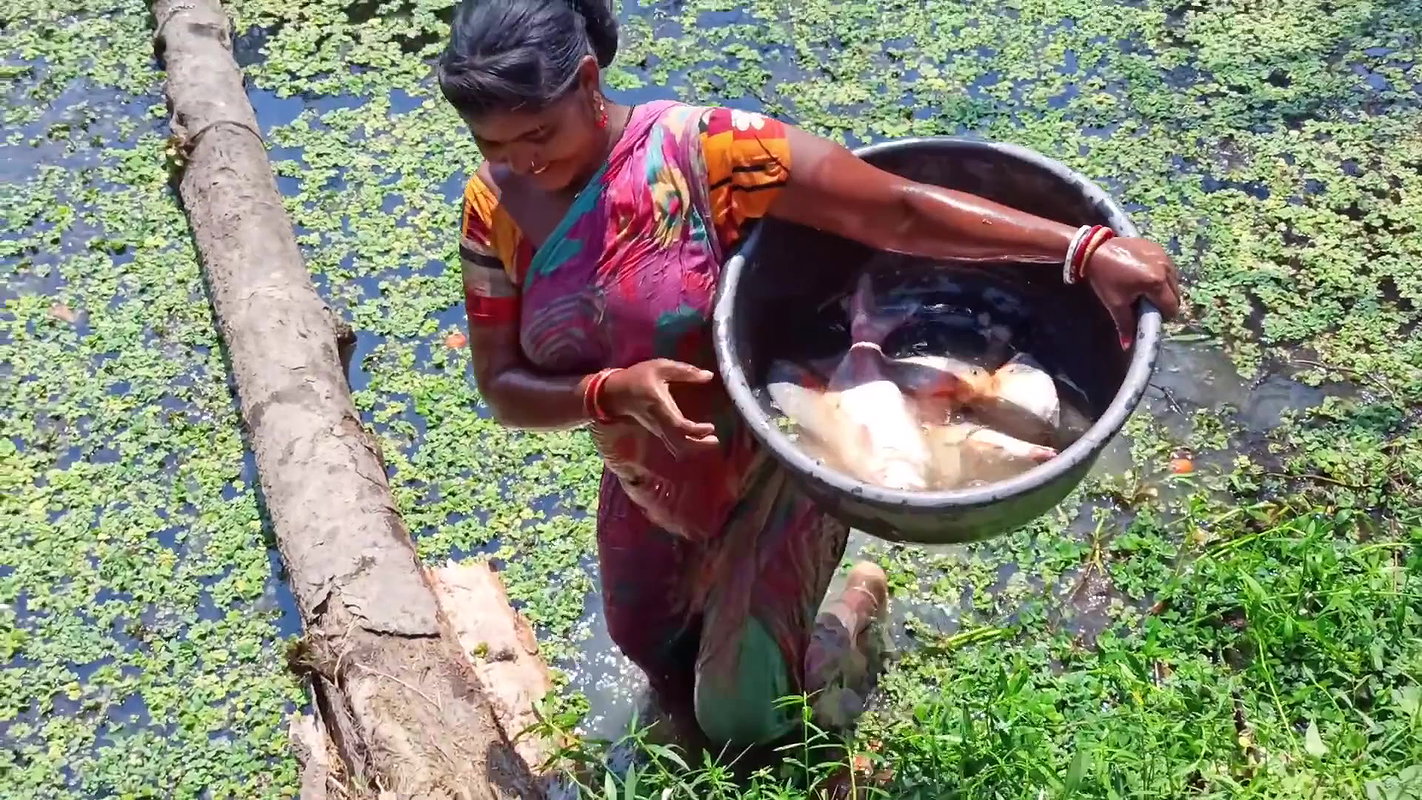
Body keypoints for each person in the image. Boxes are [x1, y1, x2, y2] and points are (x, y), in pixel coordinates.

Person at [436, 0, 1182, 749]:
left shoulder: (707, 151)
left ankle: (853, 616)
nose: (523, 162)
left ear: (590, 81)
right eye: (495, 143)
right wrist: (607, 393)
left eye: (539, 133)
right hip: (650, 484)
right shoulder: (492, 206)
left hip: (773, 465)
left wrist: (1082, 249)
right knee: (654, 654)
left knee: (743, 716)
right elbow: (502, 386)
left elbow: (896, 209)